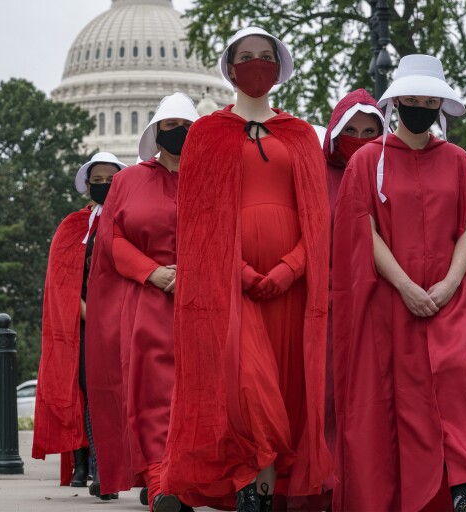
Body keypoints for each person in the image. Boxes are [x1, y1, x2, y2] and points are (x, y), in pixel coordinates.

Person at [161, 27, 332, 512]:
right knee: (248, 390)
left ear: (278, 68)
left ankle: (262, 491)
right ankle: (250, 487)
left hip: (289, 288)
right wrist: (237, 271)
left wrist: (290, 268)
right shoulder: (206, 135)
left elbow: (317, 220)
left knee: (284, 387)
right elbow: (197, 221)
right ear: (230, 68)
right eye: (246, 57)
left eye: (265, 57)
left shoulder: (301, 135)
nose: (256, 64)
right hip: (229, 288)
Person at [331, 55, 466, 512]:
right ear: (397, 102)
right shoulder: (368, 160)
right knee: (406, 402)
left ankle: (464, 494)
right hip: (393, 303)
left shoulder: (459, 160)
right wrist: (406, 286)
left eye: (430, 100)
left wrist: (450, 284)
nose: (421, 106)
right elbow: (361, 227)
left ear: (441, 105)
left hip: (449, 300)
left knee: (459, 389)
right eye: (413, 99)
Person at [85, 94, 198, 512]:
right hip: (148, 300)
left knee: (196, 392)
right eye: (169, 127)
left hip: (202, 300)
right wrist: (153, 272)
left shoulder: (212, 176)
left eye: (185, 126)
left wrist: (194, 271)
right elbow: (111, 238)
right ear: (155, 132)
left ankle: (187, 478)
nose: (178, 135)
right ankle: (159, 482)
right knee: (153, 393)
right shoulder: (128, 181)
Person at [32, 152, 126, 494]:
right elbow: (62, 283)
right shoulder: (73, 226)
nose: (103, 186)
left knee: (120, 394)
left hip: (126, 320)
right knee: (86, 388)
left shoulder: (129, 221)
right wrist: (93, 314)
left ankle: (104, 464)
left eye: (110, 180)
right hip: (86, 324)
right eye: (97, 181)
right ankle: (91, 463)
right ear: (87, 186)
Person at [319, 89, 383, 509]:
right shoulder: (316, 176)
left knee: (369, 402)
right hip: (326, 303)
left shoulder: (386, 174)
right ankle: (324, 484)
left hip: (378, 302)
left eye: (369, 131)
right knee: (325, 400)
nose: (359, 139)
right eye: (351, 131)